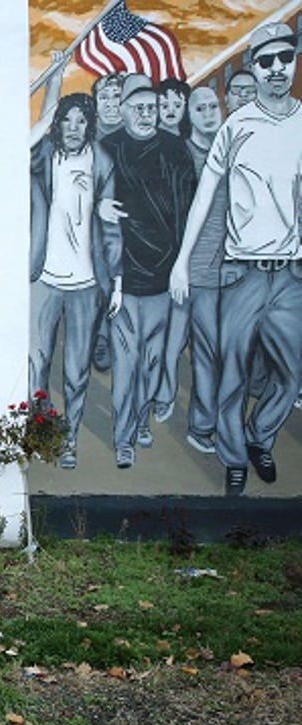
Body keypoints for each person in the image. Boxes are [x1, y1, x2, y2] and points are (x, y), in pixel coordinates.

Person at [169, 22, 302, 496]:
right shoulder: (236, 127)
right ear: (253, 67)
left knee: (293, 373)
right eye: (265, 61)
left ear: (293, 59)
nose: (276, 69)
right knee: (232, 372)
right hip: (242, 273)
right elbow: (204, 200)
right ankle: (234, 460)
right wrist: (182, 262)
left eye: (284, 58)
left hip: (289, 275)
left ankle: (259, 436)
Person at [101, 73, 196, 469]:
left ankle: (140, 420)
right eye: (137, 108)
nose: (145, 114)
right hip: (122, 276)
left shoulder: (176, 150)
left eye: (151, 109)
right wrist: (97, 207)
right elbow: (82, 199)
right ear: (122, 111)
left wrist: (181, 266)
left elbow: (188, 211)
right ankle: (123, 438)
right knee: (125, 363)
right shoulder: (106, 149)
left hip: (163, 276)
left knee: (153, 361)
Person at [29, 93, 122, 470]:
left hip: (85, 284)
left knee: (75, 371)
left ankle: (69, 440)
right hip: (44, 280)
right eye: (66, 120)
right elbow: (22, 144)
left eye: (80, 120)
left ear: (90, 124)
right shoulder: (43, 157)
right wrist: (52, 82)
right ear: (57, 123)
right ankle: (39, 433)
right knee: (36, 363)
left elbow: (112, 228)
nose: (73, 128)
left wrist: (115, 280)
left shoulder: (102, 162)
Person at [163, 86, 226, 451]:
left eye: (212, 106)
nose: (207, 112)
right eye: (199, 107)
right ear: (190, 115)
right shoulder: (180, 155)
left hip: (222, 272)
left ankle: (200, 426)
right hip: (184, 269)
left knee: (210, 352)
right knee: (169, 347)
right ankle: (163, 400)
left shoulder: (232, 151)